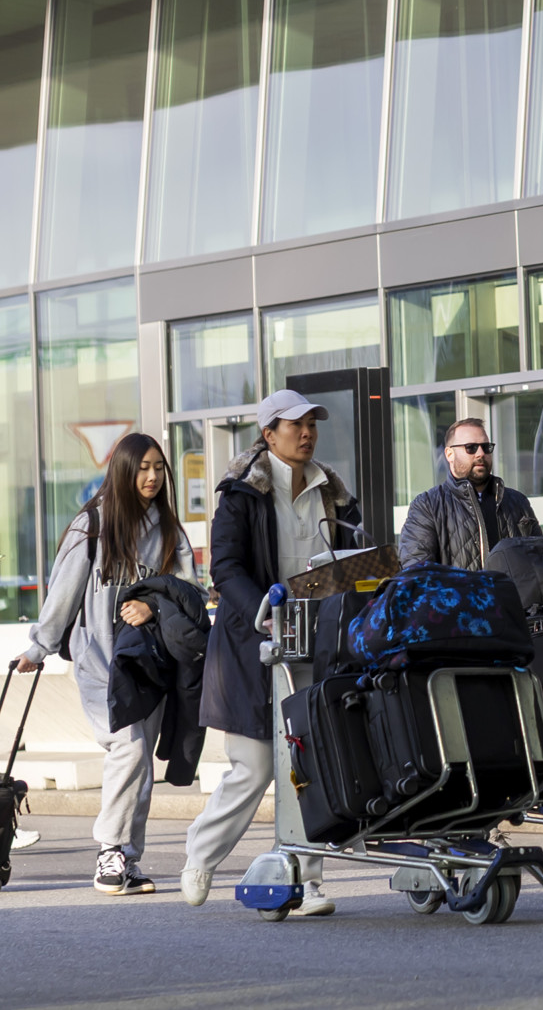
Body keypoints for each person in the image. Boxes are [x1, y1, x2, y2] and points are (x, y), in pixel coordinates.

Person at [181, 389, 362, 913]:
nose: (306, 433)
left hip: (317, 640)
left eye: (312, 424)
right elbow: (224, 567)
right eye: (295, 425)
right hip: (252, 642)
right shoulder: (241, 492)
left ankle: (305, 880)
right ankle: (200, 856)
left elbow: (350, 553)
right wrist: (262, 603)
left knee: (307, 763)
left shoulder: (332, 491)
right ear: (269, 434)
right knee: (255, 767)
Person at [17, 433, 194, 896]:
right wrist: (39, 646)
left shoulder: (171, 529)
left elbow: (190, 593)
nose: (152, 476)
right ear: (122, 470)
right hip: (98, 660)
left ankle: (127, 860)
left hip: (149, 663)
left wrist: (155, 608)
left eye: (159, 467)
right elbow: (64, 590)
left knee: (140, 763)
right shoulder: (92, 525)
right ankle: (110, 851)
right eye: (142, 468)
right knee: (129, 748)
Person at [396, 417, 541, 568]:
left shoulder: (517, 502)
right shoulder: (427, 506)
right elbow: (417, 571)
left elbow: (540, 561)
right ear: (449, 454)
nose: (480, 454)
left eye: (486, 447)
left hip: (509, 592)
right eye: (470, 447)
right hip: (460, 592)